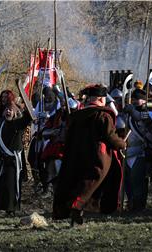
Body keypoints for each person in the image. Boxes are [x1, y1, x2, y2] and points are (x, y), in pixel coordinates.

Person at [53, 84, 126, 225]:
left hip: (77, 155)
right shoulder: (103, 115)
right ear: (100, 99)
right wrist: (122, 144)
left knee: (85, 183)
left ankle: (79, 210)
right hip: (98, 156)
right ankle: (77, 205)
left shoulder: (77, 115)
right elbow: (110, 137)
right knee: (93, 182)